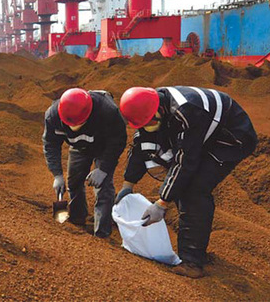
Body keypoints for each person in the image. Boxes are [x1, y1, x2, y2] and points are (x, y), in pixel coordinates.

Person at [116, 86, 257, 278]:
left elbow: (185, 161)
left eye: (151, 122)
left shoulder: (187, 111)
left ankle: (192, 262)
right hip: (202, 132)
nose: (147, 125)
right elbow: (142, 144)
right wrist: (128, 184)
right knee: (181, 181)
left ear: (160, 110)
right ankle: (193, 247)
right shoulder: (148, 108)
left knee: (194, 190)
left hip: (231, 135)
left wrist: (162, 202)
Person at [43, 88, 127, 238]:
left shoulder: (108, 111)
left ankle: (102, 233)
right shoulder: (53, 116)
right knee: (73, 182)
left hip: (104, 147)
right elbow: (50, 144)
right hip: (78, 147)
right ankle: (77, 219)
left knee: (103, 188)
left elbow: (118, 141)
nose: (73, 128)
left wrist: (103, 168)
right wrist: (57, 174)